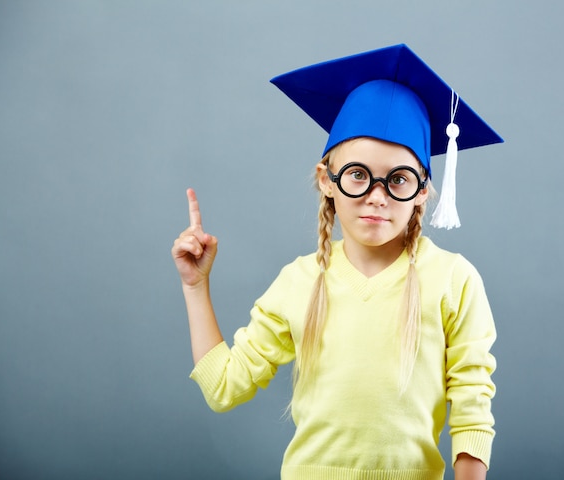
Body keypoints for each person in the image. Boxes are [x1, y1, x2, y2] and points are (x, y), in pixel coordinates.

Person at [172, 44, 503, 480]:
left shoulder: (452, 280)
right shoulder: (299, 282)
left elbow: (472, 408)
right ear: (326, 180)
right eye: (358, 175)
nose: (376, 196)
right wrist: (196, 288)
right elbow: (222, 388)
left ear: (423, 190)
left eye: (398, 179)